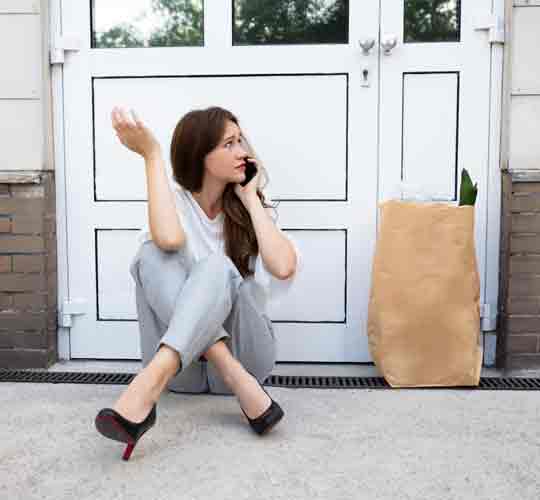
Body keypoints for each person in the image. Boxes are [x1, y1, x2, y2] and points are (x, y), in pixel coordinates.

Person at [95, 105, 302, 460]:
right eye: (229, 144)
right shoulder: (173, 203)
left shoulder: (249, 208)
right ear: (200, 155)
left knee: (217, 267)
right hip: (187, 374)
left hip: (248, 356)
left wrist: (250, 198)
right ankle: (227, 372)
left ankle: (147, 385)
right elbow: (168, 241)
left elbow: (283, 267)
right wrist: (151, 155)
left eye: (242, 142)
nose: (243, 152)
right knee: (151, 254)